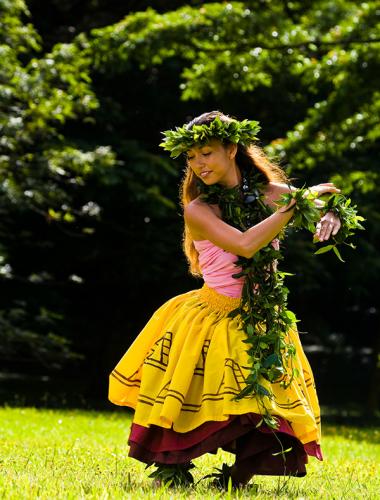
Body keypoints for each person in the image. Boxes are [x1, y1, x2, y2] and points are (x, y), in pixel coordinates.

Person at [108, 111, 341, 489]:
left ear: (232, 149)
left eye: (207, 153)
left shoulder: (273, 196)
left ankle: (237, 477)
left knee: (264, 402)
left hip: (265, 316)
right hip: (215, 314)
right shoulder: (198, 209)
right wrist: (296, 206)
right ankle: (172, 472)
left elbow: (330, 195)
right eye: (192, 157)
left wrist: (331, 214)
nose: (199, 164)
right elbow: (246, 245)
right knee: (193, 397)